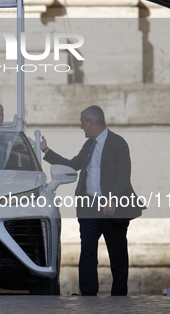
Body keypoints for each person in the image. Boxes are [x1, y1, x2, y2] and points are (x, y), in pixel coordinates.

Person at [40, 105, 142, 296]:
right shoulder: (89, 145)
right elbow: (72, 165)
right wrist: (46, 150)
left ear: (91, 122)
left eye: (82, 122)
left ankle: (119, 296)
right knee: (87, 250)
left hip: (112, 207)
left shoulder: (118, 143)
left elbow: (123, 176)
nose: (81, 127)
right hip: (89, 207)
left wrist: (112, 199)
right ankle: (88, 294)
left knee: (117, 252)